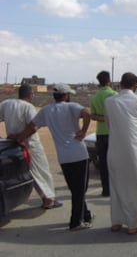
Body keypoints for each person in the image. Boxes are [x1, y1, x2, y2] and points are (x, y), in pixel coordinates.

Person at [17, 83, 93, 231]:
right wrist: (83, 131)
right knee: (79, 189)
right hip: (78, 154)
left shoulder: (46, 110)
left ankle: (86, 214)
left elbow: (32, 127)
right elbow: (87, 113)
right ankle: (76, 221)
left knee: (75, 188)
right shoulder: (71, 107)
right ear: (66, 95)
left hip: (63, 157)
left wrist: (19, 138)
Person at [104, 72, 137, 235]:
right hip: (136, 150)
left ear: (120, 85)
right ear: (135, 85)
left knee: (117, 184)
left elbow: (108, 123)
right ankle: (134, 222)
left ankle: (117, 221)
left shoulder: (109, 102)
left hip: (115, 148)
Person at [0, 84, 60, 210]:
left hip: (13, 144)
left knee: (27, 172)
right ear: (29, 95)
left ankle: (46, 198)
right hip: (29, 144)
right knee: (41, 172)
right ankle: (48, 200)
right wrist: (21, 137)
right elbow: (33, 126)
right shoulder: (28, 107)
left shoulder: (6, 103)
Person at [90, 71, 117, 197]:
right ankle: (116, 189)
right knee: (115, 162)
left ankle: (105, 189)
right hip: (113, 132)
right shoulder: (114, 95)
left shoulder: (95, 97)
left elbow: (93, 116)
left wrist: (103, 118)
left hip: (100, 133)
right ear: (109, 81)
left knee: (103, 163)